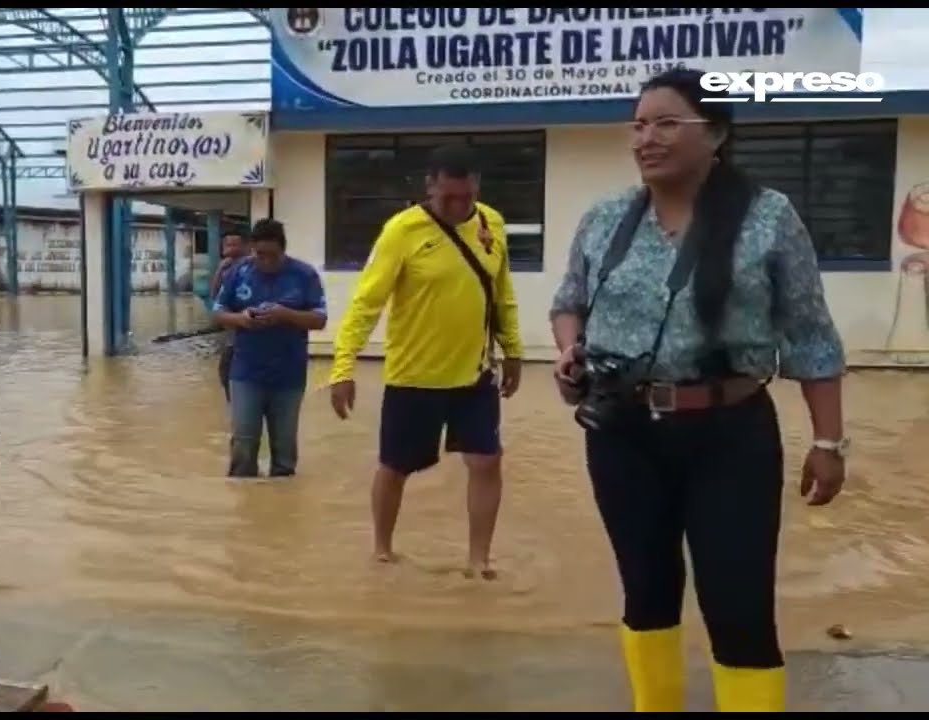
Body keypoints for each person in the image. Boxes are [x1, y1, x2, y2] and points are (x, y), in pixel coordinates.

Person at [547, 68, 848, 713]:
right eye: (637, 124)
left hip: (729, 434)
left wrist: (828, 441)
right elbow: (568, 302)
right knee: (647, 592)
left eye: (665, 123)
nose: (645, 138)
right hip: (622, 433)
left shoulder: (768, 218)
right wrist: (569, 349)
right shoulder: (604, 220)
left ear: (715, 133)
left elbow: (811, 336)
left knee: (739, 606)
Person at [327, 143, 524, 578]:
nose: (458, 206)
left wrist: (513, 350)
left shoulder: (493, 223)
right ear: (429, 187)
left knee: (487, 461)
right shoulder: (402, 230)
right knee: (395, 467)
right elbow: (365, 304)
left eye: (466, 197)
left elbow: (502, 293)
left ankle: (478, 560)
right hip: (413, 376)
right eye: (447, 197)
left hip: (475, 374)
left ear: (477, 187)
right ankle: (382, 548)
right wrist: (343, 367)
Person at [212, 218, 327, 478]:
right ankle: (245, 506)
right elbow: (217, 312)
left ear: (283, 251)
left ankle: (283, 509)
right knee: (243, 442)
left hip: (289, 374)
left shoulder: (304, 274)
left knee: (285, 451)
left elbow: (320, 319)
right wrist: (240, 319)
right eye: (259, 254)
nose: (264, 262)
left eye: (271, 256)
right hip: (245, 372)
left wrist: (286, 314)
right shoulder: (239, 271)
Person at [211, 230, 251, 403]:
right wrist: (220, 269)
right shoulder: (226, 269)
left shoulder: (250, 269)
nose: (231, 249)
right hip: (232, 332)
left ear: (245, 246)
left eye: (235, 244)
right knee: (225, 372)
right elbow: (214, 296)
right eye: (228, 245)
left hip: (246, 333)